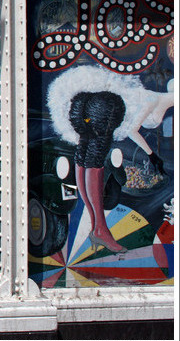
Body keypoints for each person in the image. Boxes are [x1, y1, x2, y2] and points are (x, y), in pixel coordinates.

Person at [47, 65, 174, 254]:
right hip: (104, 105)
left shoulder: (160, 101)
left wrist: (151, 155)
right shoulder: (152, 98)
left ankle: (96, 227)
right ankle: (101, 229)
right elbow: (132, 129)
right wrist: (151, 154)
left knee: (84, 154)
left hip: (87, 102)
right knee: (93, 158)